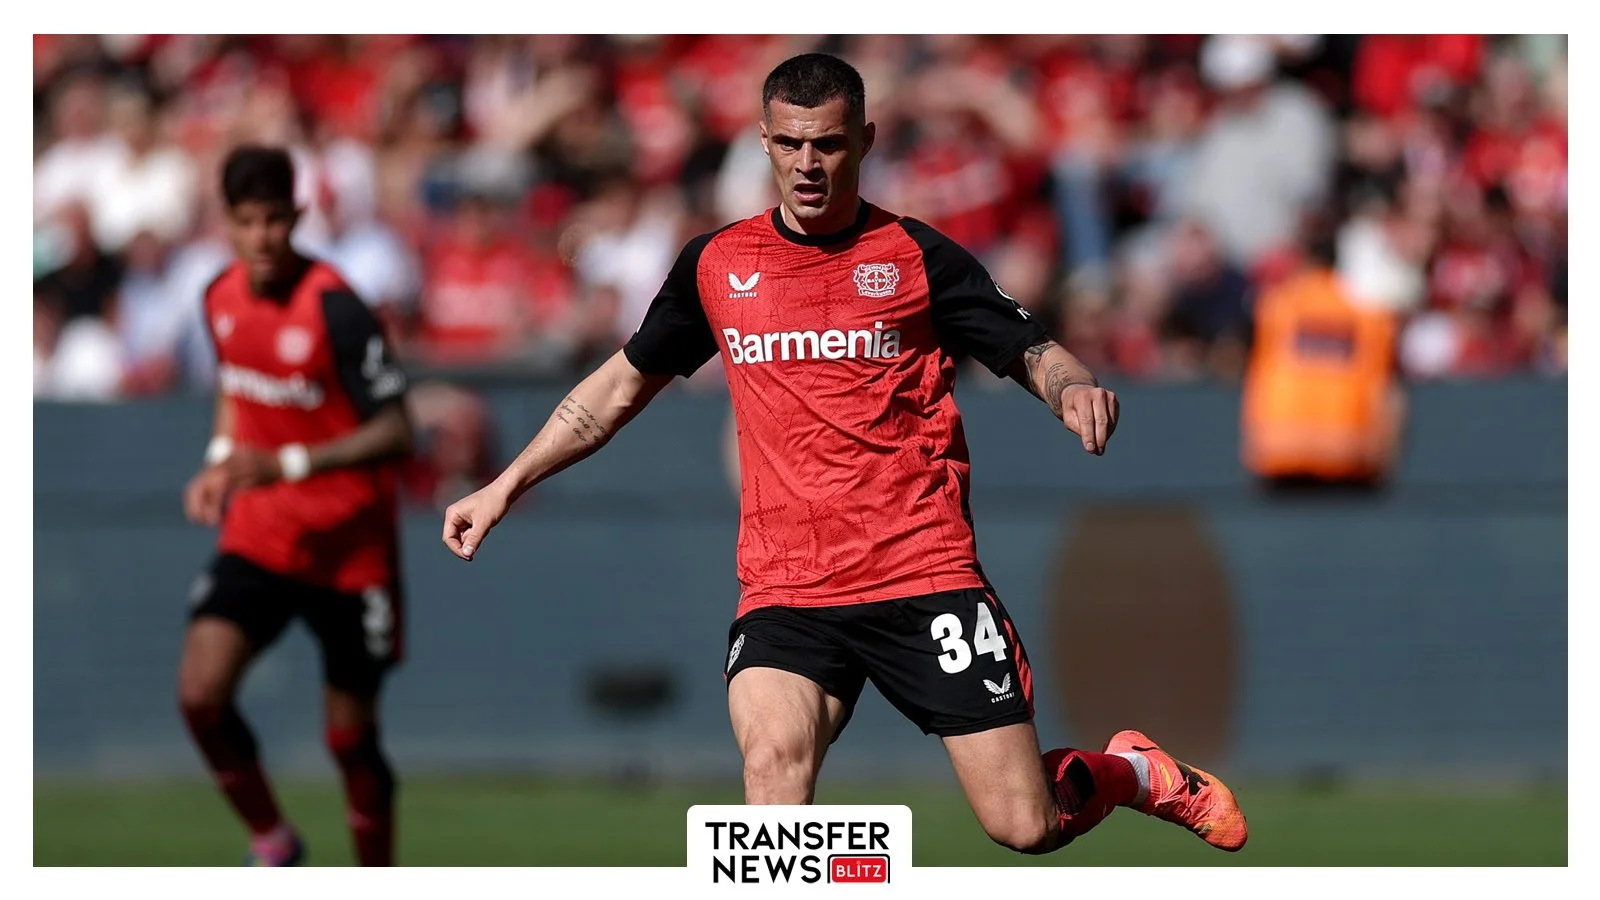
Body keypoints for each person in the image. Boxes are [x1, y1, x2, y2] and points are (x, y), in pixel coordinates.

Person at [443, 53, 1247, 856]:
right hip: (786, 590)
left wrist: (1073, 388)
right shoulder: (717, 267)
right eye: (790, 144)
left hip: (919, 573)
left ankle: (1132, 773)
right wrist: (504, 485)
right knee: (772, 774)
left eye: (826, 145)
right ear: (763, 141)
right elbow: (616, 390)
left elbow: (1033, 349)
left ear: (862, 140)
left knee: (1023, 823)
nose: (807, 165)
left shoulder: (918, 257)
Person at [178, 146, 414, 866]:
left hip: (350, 547)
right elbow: (236, 385)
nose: (262, 238)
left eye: (276, 220)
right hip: (263, 534)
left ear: (298, 216)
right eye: (247, 222)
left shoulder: (338, 308)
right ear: (227, 223)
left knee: (348, 741)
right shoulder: (217, 296)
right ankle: (274, 842)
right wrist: (221, 461)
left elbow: (398, 428)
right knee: (200, 694)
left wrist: (285, 462)